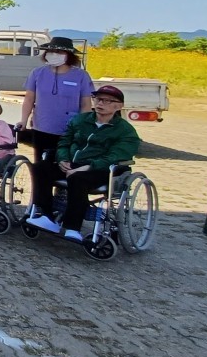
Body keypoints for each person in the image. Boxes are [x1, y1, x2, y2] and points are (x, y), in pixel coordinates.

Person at [27, 85, 140, 242]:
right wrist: (63, 159)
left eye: (107, 101)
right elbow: (64, 142)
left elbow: (115, 156)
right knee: (40, 168)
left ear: (119, 106)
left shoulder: (125, 131)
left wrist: (88, 167)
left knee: (78, 178)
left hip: (102, 170)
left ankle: (72, 227)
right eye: (98, 99)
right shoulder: (80, 121)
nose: (100, 103)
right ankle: (47, 216)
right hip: (73, 164)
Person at [18, 36, 95, 164]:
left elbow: (86, 104)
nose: (54, 54)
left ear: (69, 55)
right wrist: (23, 120)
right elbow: (29, 99)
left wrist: (83, 127)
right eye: (51, 51)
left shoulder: (81, 76)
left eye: (59, 52)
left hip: (69, 129)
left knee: (65, 164)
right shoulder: (37, 73)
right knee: (41, 165)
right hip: (42, 127)